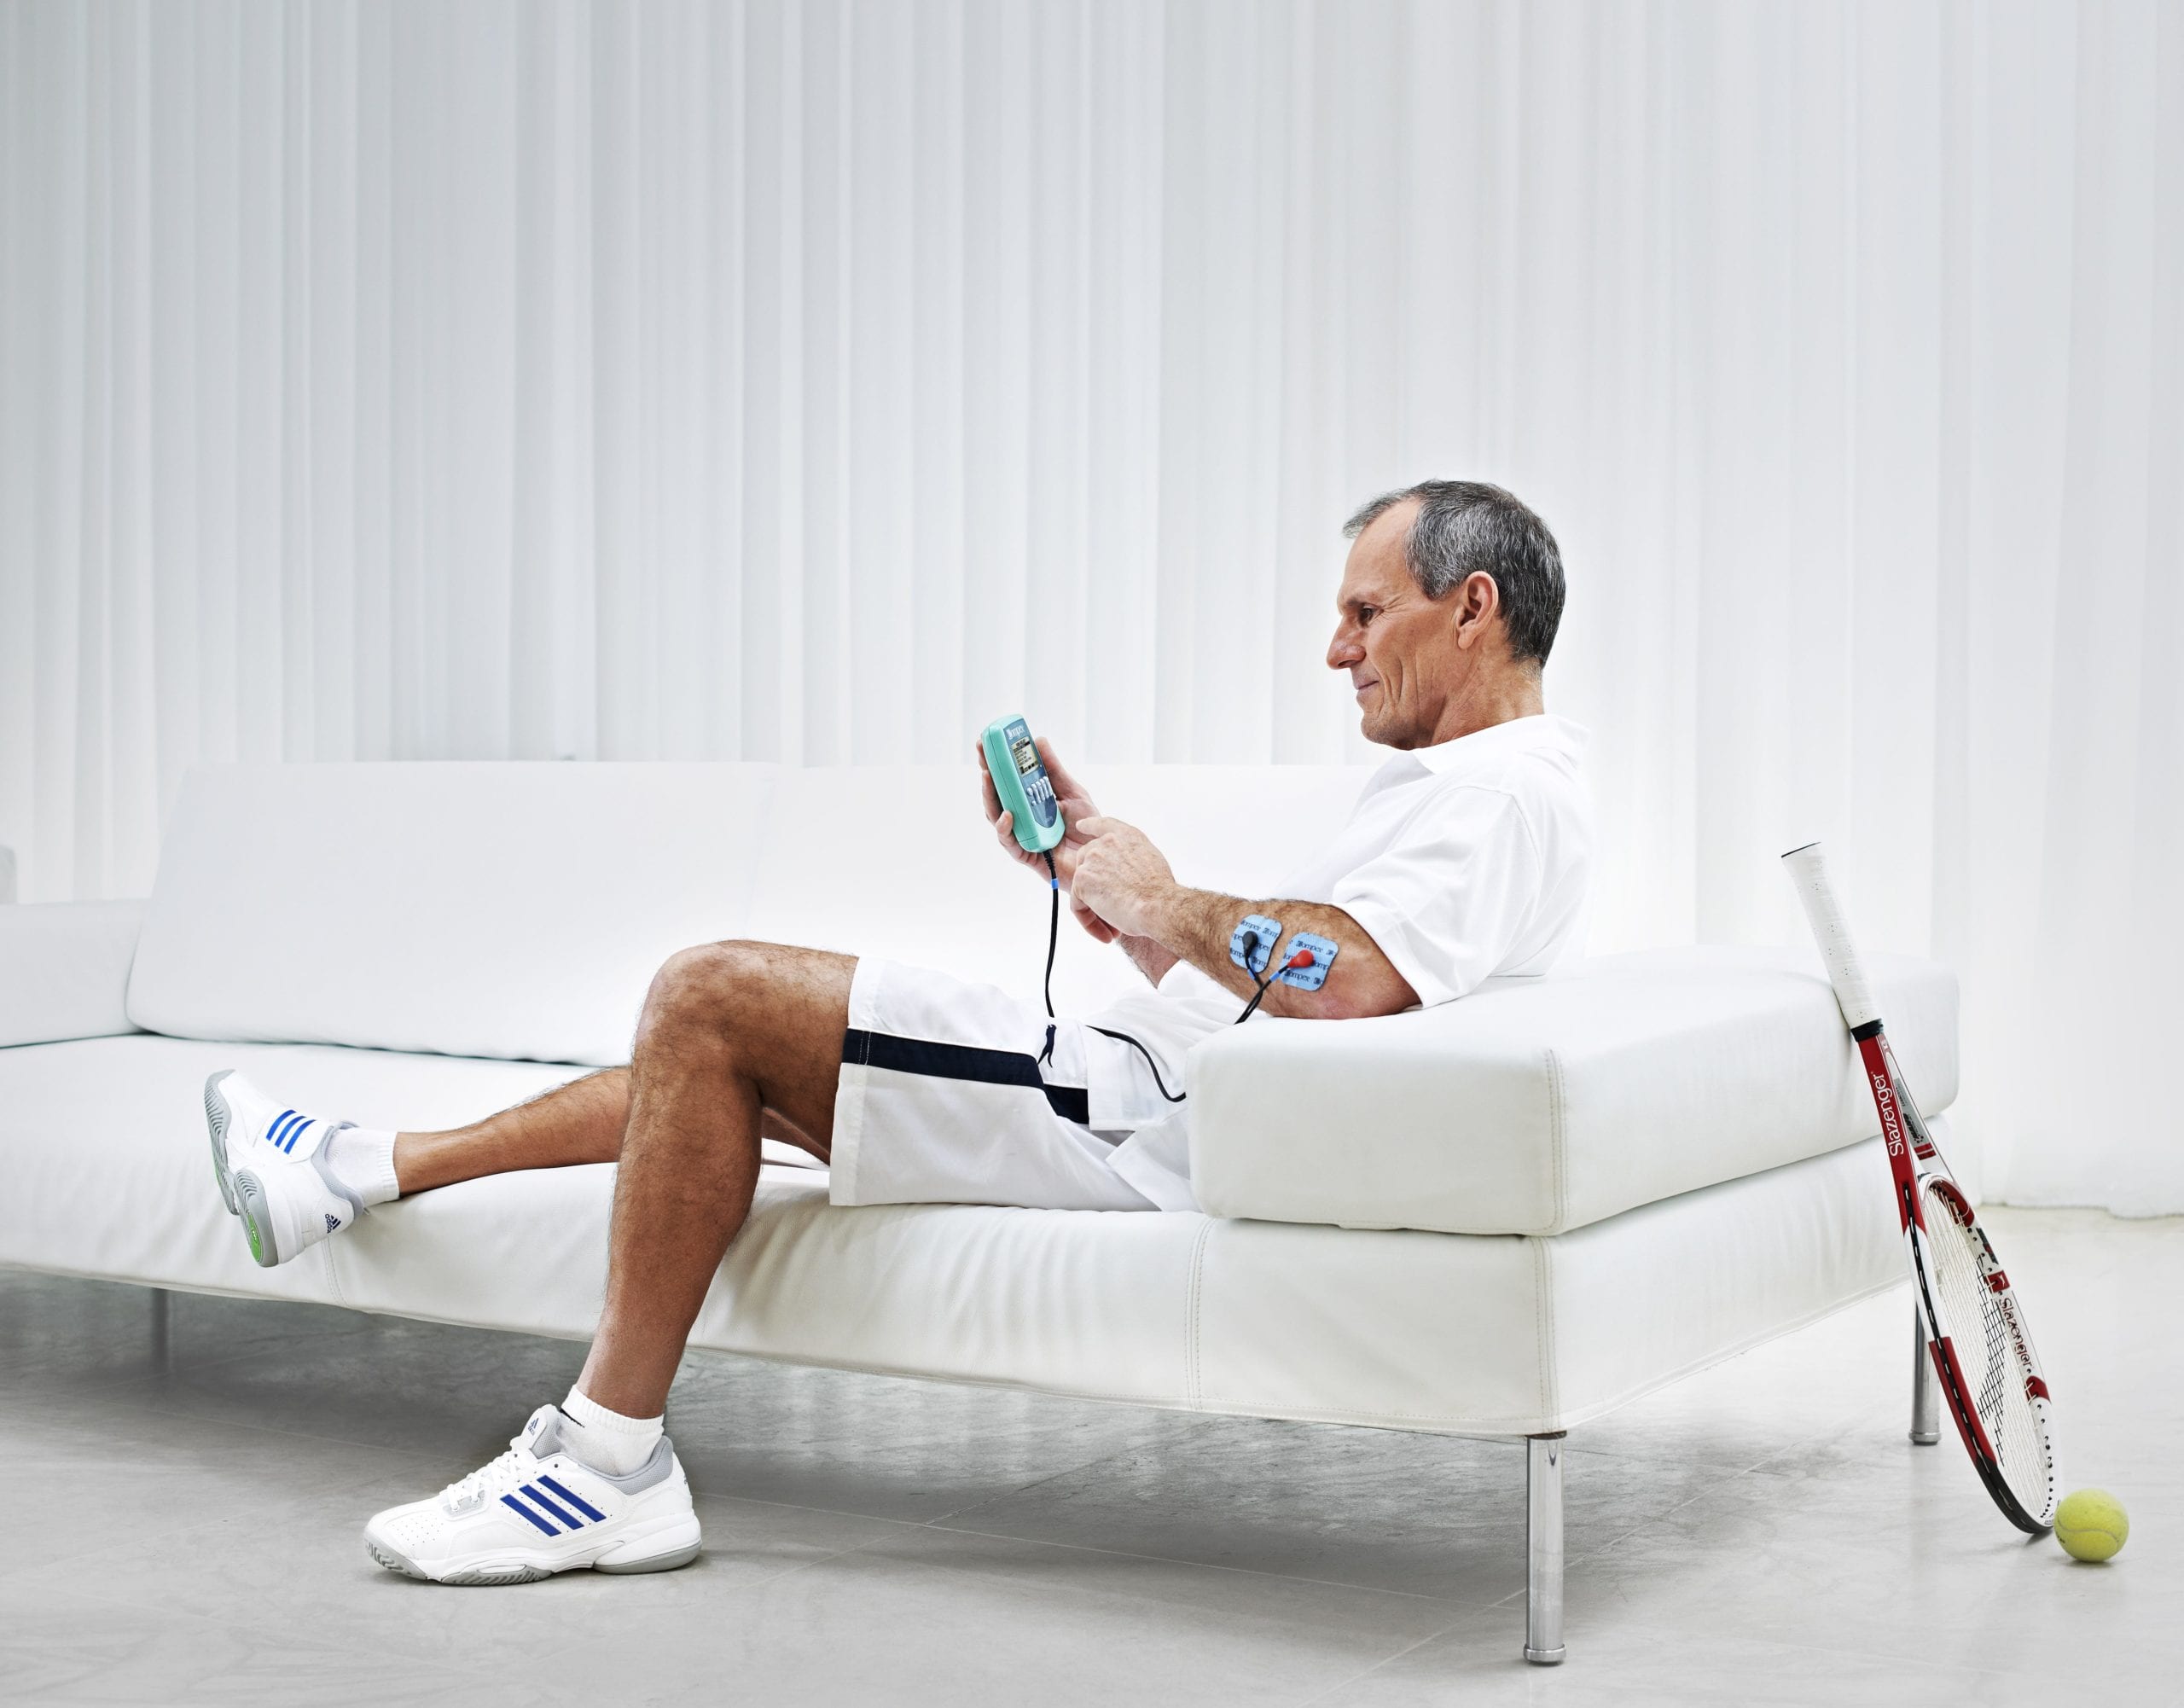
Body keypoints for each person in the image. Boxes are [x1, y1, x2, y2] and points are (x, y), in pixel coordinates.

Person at [202, 479, 1595, 1585]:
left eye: (1365, 611)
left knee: (710, 993)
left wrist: (1165, 900)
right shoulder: (1475, 784)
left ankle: (607, 1461)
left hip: (1124, 1120)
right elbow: (1313, 973)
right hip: (1136, 1087)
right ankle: (356, 1164)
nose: (1338, 648)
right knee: (710, 1062)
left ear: (1471, 608)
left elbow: (1350, 978)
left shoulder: (1499, 790)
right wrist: (1130, 904)